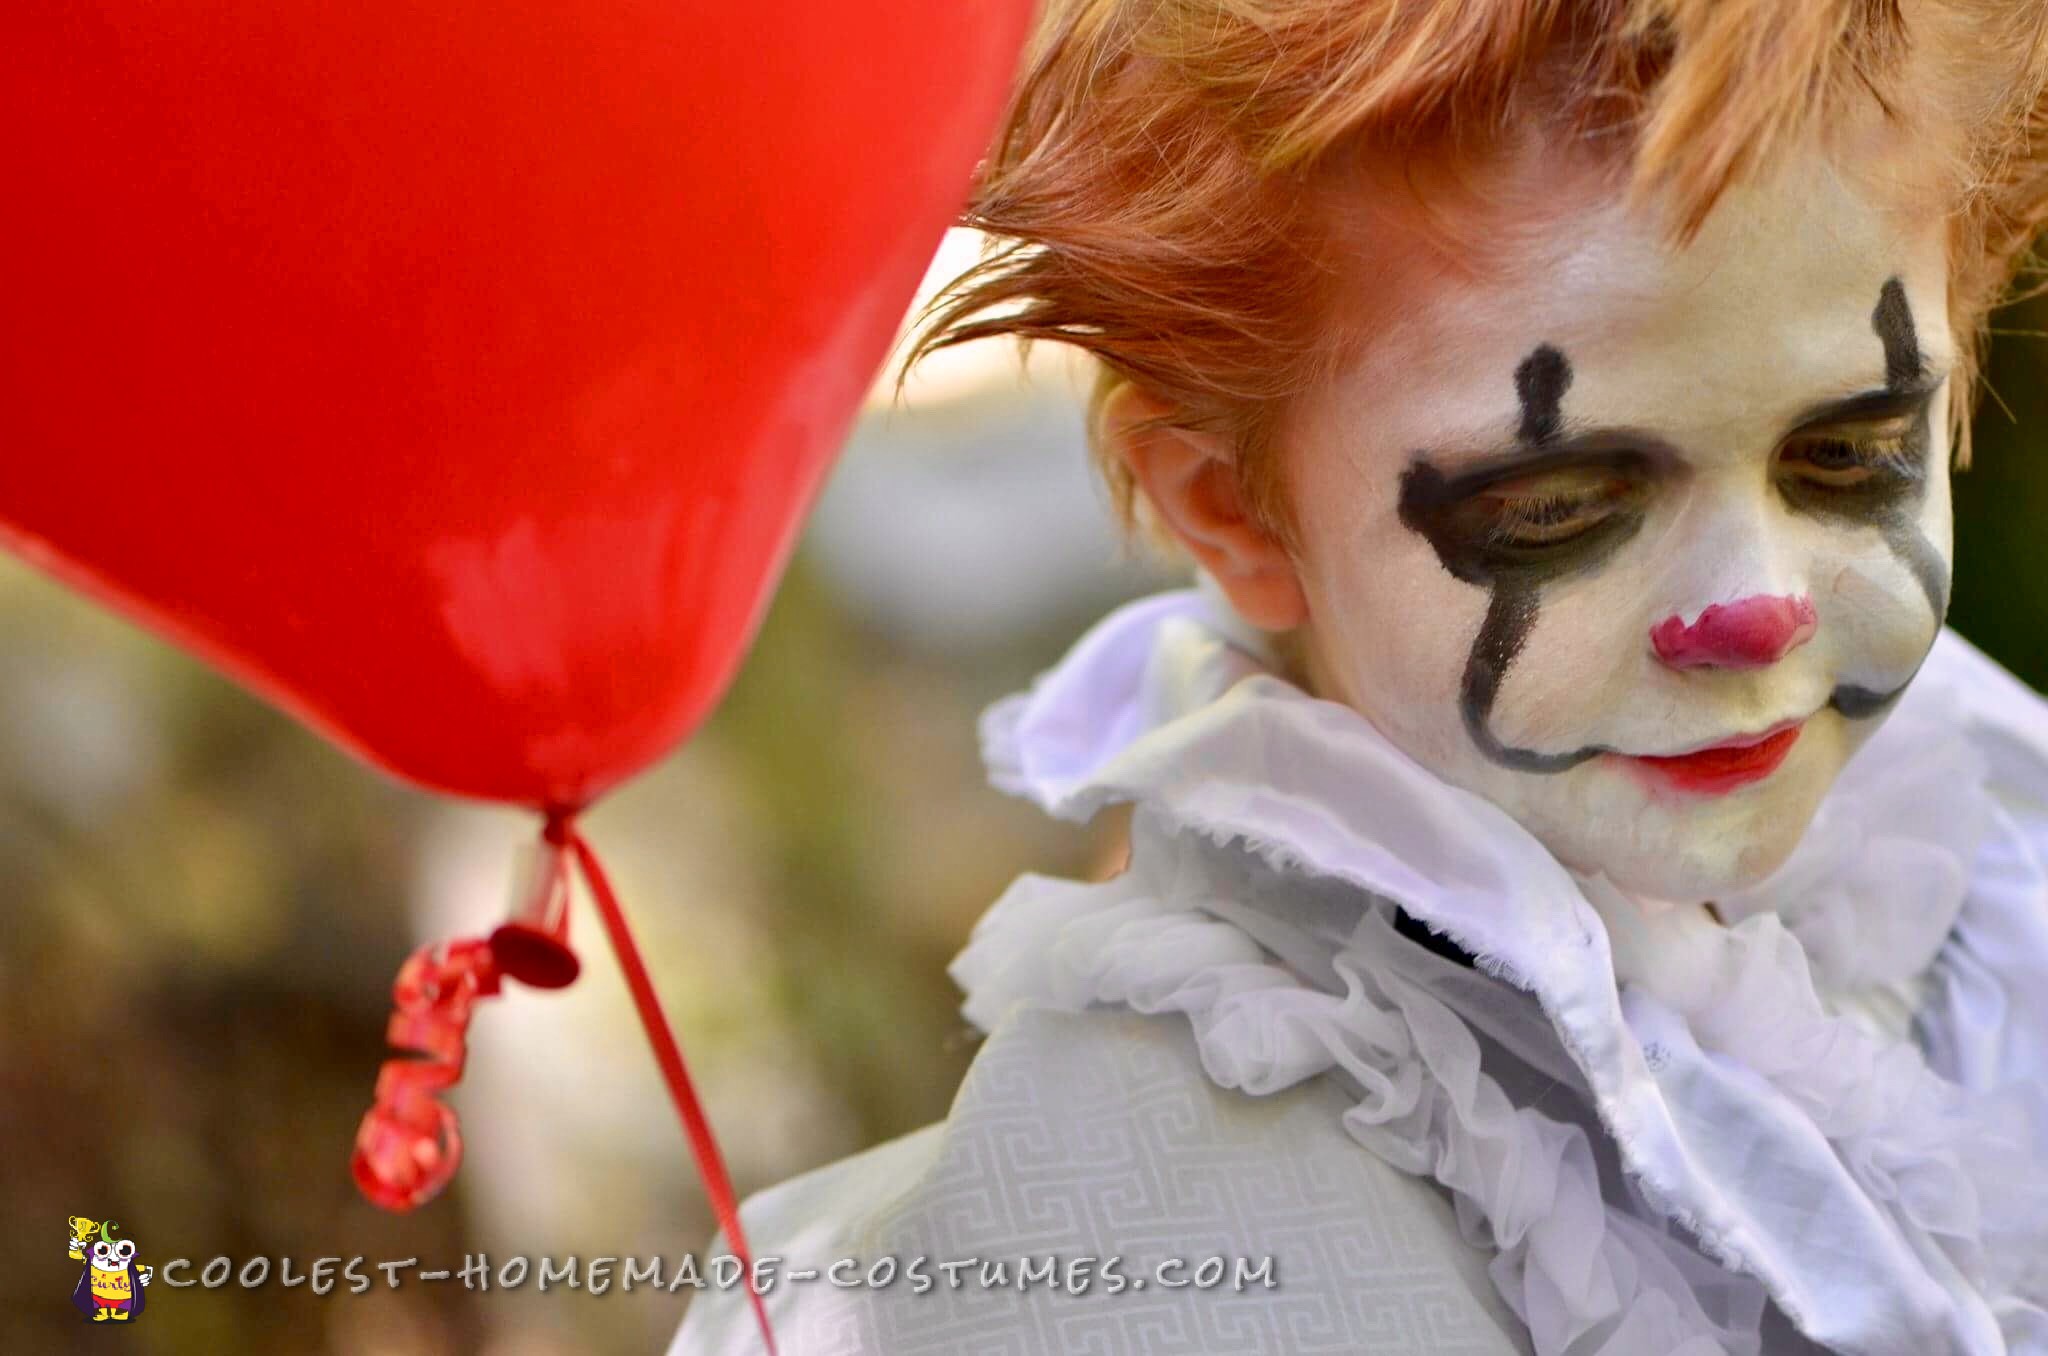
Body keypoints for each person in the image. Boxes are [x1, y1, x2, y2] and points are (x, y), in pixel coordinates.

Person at [674, 1, 2048, 1351]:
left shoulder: (1987, 877)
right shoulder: (1123, 1246)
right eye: (1560, 505)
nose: (1755, 613)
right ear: (1229, 508)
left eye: (1850, 455)